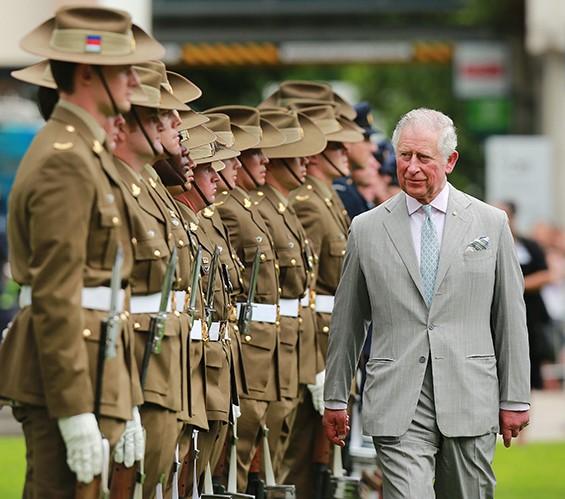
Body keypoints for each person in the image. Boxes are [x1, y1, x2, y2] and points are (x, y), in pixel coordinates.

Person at [323, 108, 531, 498]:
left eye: (424, 158)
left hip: (470, 396)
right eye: (405, 156)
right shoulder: (367, 229)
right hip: (397, 398)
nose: (412, 167)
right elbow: (348, 320)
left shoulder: (490, 224)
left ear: (450, 161)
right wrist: (335, 395)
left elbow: (510, 317)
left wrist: (515, 396)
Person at [0, 6, 163, 497]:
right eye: (124, 69)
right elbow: (57, 294)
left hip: (98, 366)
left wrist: (124, 396)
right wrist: (73, 410)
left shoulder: (84, 154)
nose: (135, 81)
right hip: (68, 378)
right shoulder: (66, 159)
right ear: (89, 72)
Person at [496, 201, 555, 390]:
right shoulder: (488, 241)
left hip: (531, 311)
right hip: (500, 308)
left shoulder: (528, 244)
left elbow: (547, 274)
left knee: (531, 356)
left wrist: (516, 285)